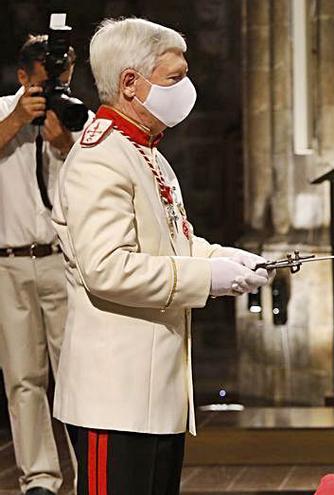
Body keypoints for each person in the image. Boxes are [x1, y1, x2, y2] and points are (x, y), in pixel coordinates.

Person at [51, 18, 271, 494]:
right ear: (131, 83)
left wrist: (224, 259)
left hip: (153, 392)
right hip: (114, 394)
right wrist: (205, 279)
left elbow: (171, 240)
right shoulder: (100, 157)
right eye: (174, 78)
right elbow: (108, 268)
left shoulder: (146, 151)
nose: (186, 89)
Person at [0, 34, 90, 495]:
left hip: (63, 262)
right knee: (23, 378)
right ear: (22, 78)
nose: (54, 91)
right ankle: (39, 478)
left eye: (63, 81)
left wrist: (66, 145)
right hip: (9, 264)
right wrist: (17, 120)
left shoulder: (79, 117)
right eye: (43, 84)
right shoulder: (2, 112)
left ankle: (88, 475)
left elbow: (101, 178)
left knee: (75, 374)